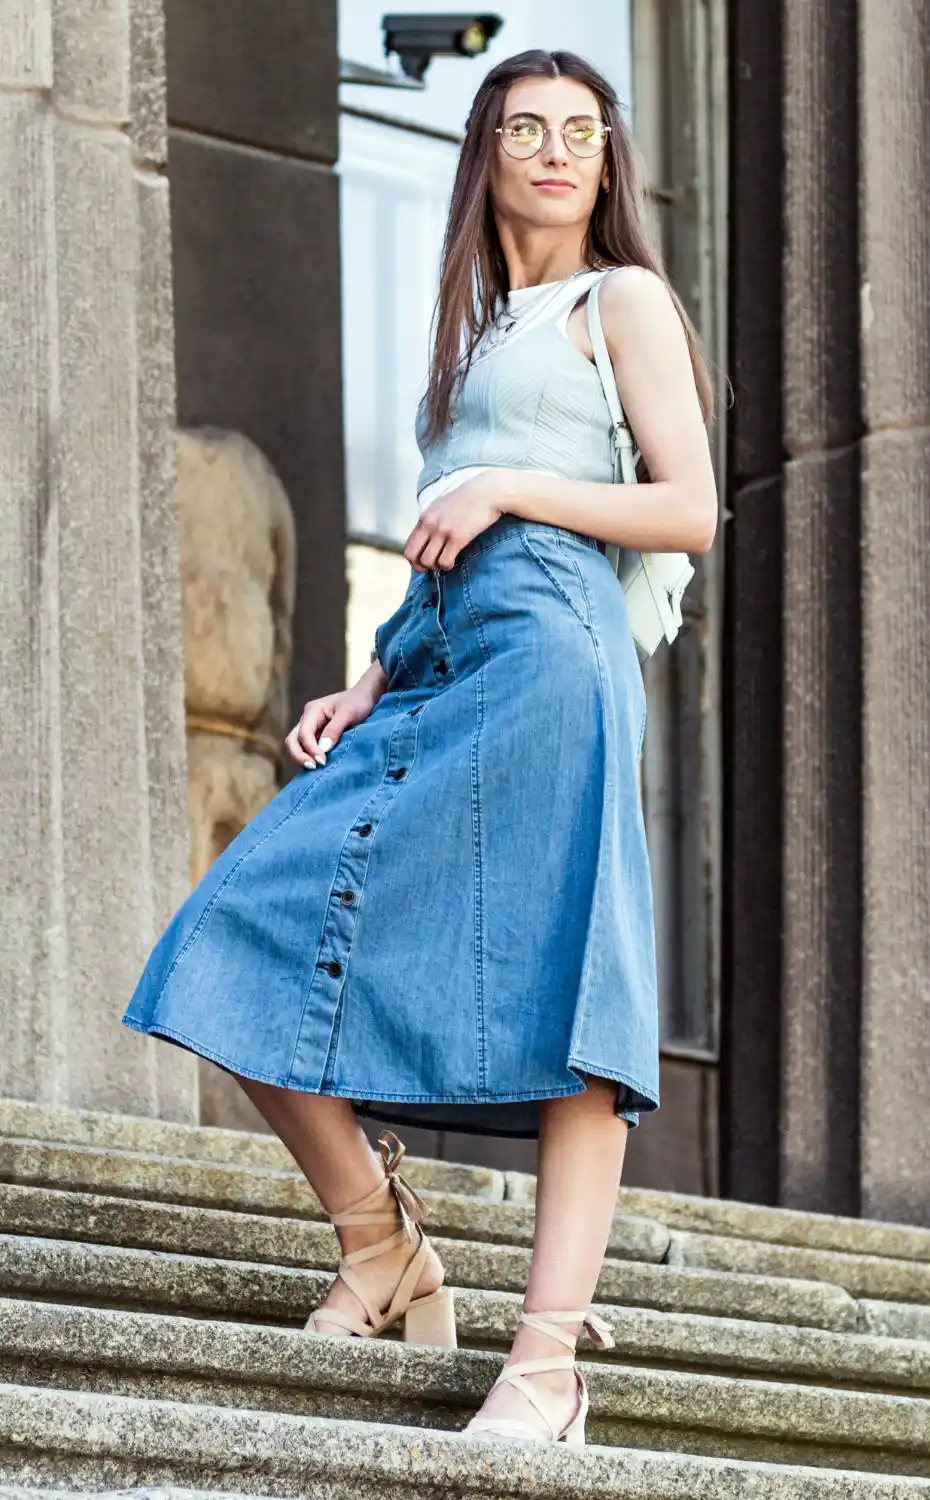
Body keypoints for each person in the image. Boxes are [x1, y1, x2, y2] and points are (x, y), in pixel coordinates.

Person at [123, 47, 718, 1447]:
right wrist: (366, 679)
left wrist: (508, 482)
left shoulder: (619, 300)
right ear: (489, 155)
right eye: (529, 128)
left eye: (584, 130)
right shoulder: (468, 344)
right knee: (234, 927)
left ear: (607, 162)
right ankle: (381, 1244)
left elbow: (689, 507)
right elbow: (443, 557)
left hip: (555, 662)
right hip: (443, 662)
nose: (559, 151)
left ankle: (549, 1363)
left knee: (574, 991)